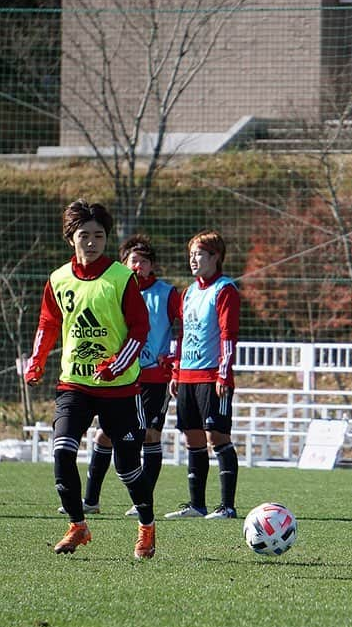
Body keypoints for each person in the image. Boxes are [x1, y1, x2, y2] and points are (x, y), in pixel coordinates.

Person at [24, 199, 156, 557]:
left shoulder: (120, 278)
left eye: (99, 235)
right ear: (71, 239)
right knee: (62, 452)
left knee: (127, 467)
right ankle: (78, 526)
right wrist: (36, 361)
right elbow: (49, 322)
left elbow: (139, 328)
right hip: (74, 385)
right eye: (84, 235)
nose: (92, 242)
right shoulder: (58, 279)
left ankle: (146, 526)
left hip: (120, 388)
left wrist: (117, 363)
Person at [66, 234, 180, 517]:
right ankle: (91, 500)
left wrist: (174, 358)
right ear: (123, 264)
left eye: (143, 261)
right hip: (121, 378)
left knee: (151, 435)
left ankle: (143, 500)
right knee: (104, 435)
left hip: (154, 378)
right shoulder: (113, 288)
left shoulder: (167, 293)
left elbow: (183, 326)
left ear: (151, 266)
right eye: (133, 261)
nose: (138, 266)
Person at [164, 230, 241, 520]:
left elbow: (228, 335)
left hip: (212, 378)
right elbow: (182, 334)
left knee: (216, 435)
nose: (193, 259)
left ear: (215, 257)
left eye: (199, 254)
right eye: (191, 254)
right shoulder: (189, 292)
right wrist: (176, 370)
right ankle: (197, 505)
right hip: (187, 377)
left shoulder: (225, 289)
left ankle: (227, 506)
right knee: (192, 438)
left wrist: (223, 374)